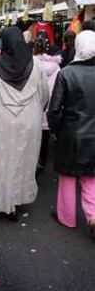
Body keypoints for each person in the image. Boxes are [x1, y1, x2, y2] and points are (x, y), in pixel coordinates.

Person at [0, 27, 49, 220]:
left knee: (3, 162)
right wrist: (37, 111)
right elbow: (44, 93)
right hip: (30, 119)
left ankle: (5, 203)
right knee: (25, 162)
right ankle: (19, 199)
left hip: (2, 120)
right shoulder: (36, 65)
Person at [47, 30, 95, 238]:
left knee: (67, 178)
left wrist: (57, 130)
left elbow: (54, 109)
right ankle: (93, 216)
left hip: (71, 134)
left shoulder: (66, 73)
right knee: (91, 178)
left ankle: (66, 217)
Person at [34, 35, 61, 174]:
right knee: (45, 135)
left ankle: (33, 159)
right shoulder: (56, 66)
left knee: (33, 134)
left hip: (35, 103)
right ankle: (43, 162)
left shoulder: (32, 64)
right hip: (50, 102)